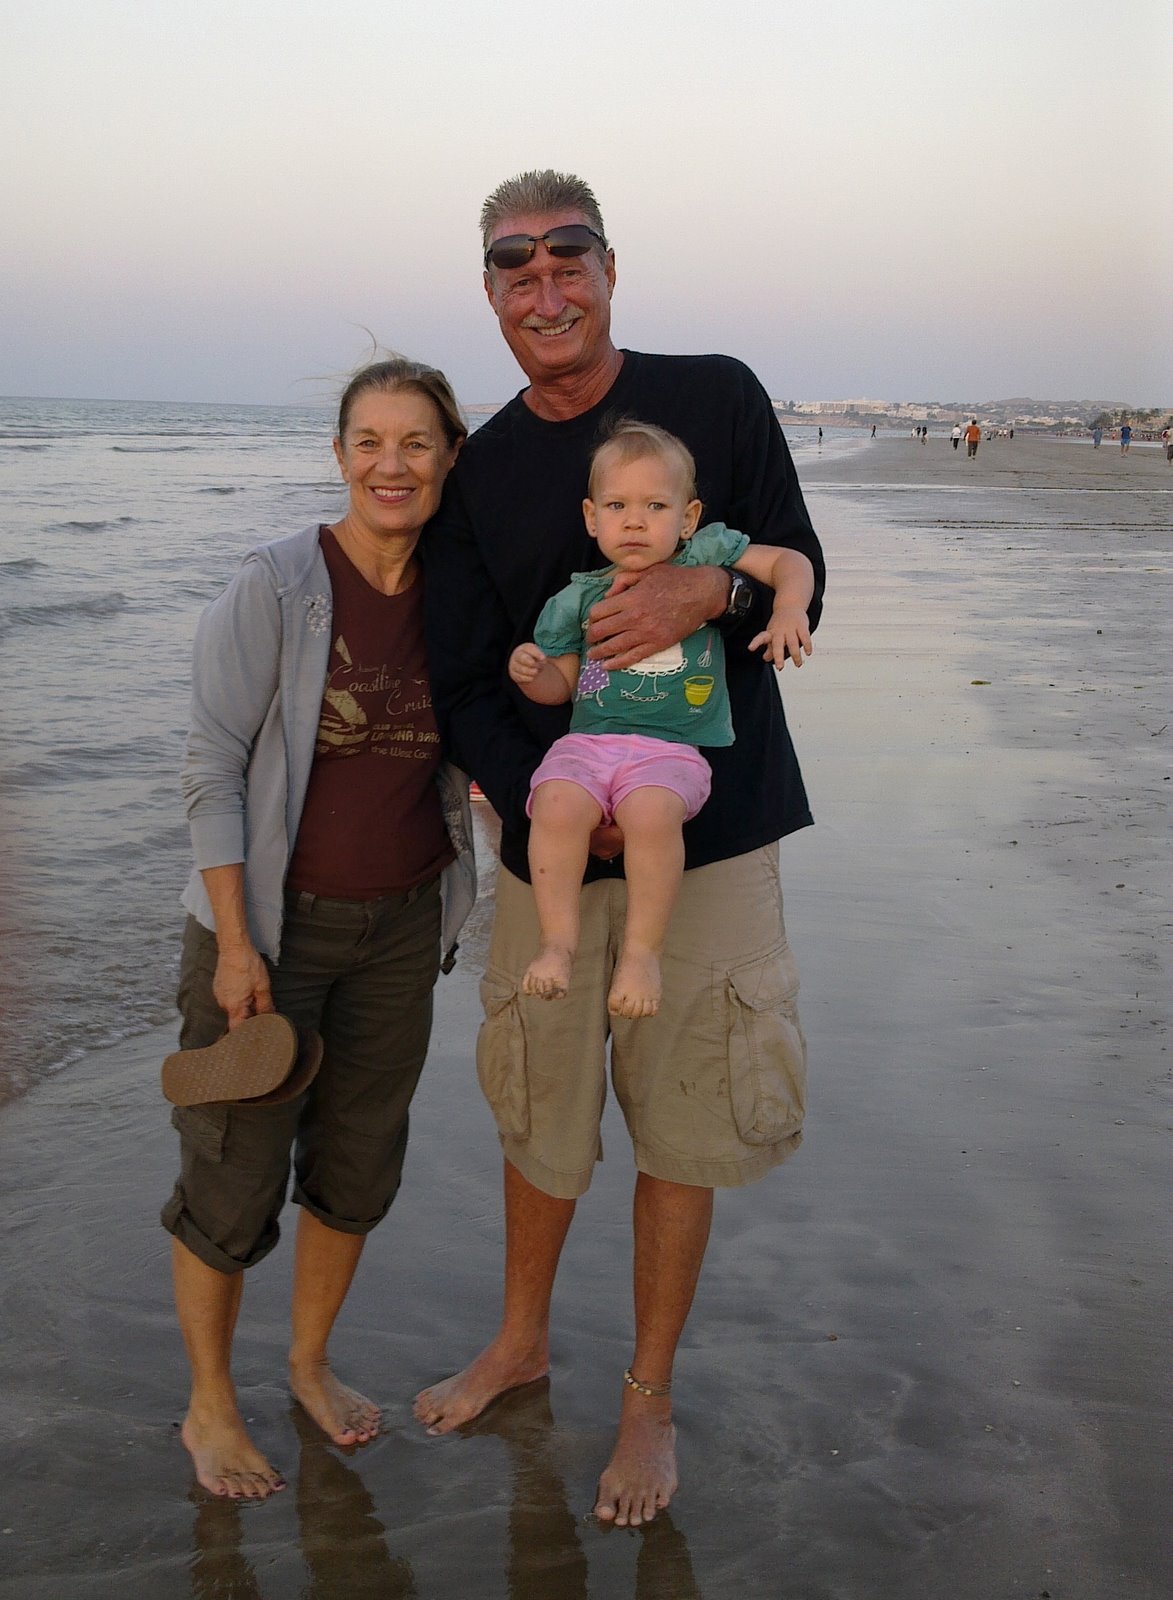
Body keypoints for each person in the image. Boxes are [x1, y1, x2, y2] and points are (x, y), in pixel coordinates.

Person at [415, 169, 824, 1528]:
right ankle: (520, 1340)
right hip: (553, 832)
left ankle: (648, 1398)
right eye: (514, 265)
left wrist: (707, 589)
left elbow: (795, 566)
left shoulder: (719, 396)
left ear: (607, 267)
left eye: (567, 255)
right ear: (491, 293)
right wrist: (540, 789)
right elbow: (467, 674)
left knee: (688, 1112)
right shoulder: (479, 470)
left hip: (710, 831)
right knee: (540, 1101)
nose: (545, 285)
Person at [163, 356, 476, 1500]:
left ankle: (306, 1363)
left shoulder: (459, 592)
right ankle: (208, 1404)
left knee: (356, 1165)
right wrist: (237, 944)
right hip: (268, 937)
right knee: (233, 1174)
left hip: (401, 931)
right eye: (370, 442)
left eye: (416, 442)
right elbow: (212, 768)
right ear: (340, 454)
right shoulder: (276, 584)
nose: (392, 464)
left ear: (449, 457)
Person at [509, 420, 813, 1019]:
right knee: (554, 803)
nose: (635, 522)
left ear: (688, 517)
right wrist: (532, 673)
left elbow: (790, 561)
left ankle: (642, 955)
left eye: (655, 506)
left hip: (669, 749)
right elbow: (562, 687)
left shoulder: (705, 556)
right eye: (617, 506)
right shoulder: (577, 598)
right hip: (590, 743)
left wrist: (788, 610)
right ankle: (557, 944)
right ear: (591, 517)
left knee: (650, 812)